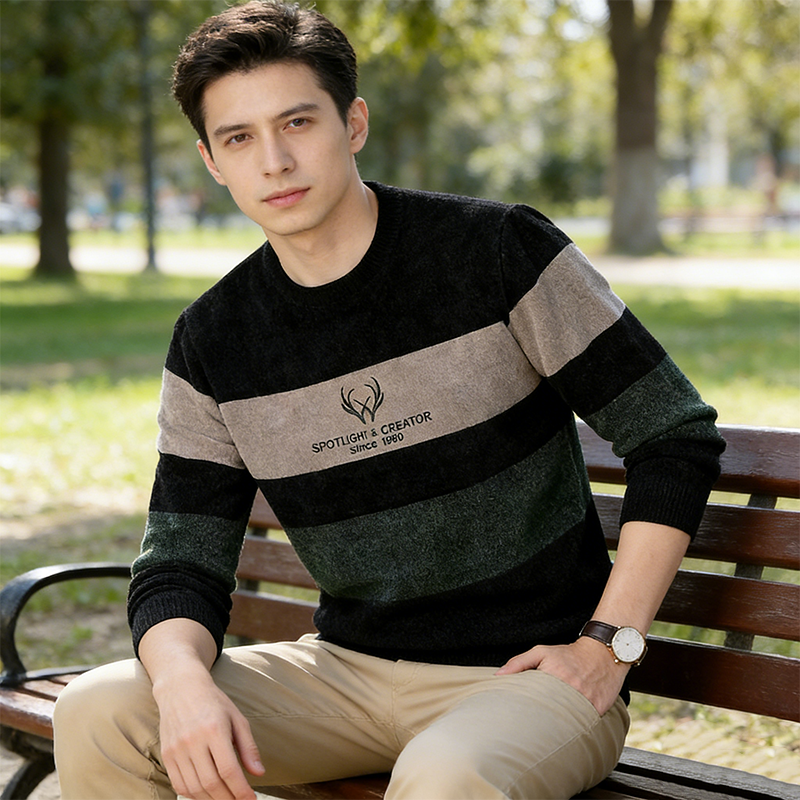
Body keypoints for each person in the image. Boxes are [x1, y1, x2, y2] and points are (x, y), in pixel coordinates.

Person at [53, 2, 725, 798]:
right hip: (342, 675)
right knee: (100, 710)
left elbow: (672, 435)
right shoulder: (213, 339)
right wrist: (180, 685)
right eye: (239, 138)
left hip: (524, 679)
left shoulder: (496, 252)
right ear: (212, 161)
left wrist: (608, 646)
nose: (274, 161)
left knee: (445, 775)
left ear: (354, 123)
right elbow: (180, 558)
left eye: (297, 122)